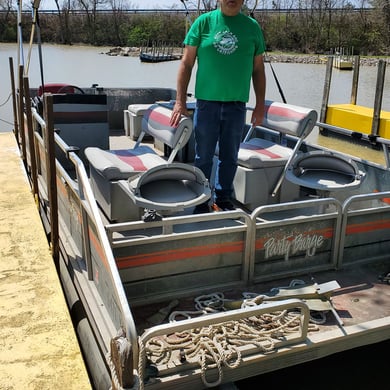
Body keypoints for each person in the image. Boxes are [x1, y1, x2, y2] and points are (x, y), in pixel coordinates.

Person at [170, 0, 266, 213]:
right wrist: (180, 102)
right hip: (206, 105)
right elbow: (186, 63)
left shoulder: (252, 27)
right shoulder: (203, 23)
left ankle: (223, 198)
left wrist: (260, 106)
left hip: (236, 105)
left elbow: (258, 69)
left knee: (230, 156)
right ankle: (201, 199)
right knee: (202, 156)